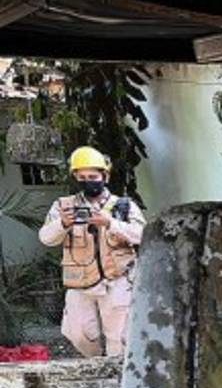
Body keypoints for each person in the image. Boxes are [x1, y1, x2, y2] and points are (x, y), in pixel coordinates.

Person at [38, 146, 145, 357]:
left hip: (117, 280)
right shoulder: (63, 206)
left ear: (104, 176)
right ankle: (95, 365)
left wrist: (111, 223)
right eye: (83, 176)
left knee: (120, 337)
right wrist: (63, 224)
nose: (89, 181)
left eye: (93, 176)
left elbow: (142, 235)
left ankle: (117, 378)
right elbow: (46, 238)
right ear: (76, 177)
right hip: (80, 282)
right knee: (78, 334)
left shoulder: (124, 206)